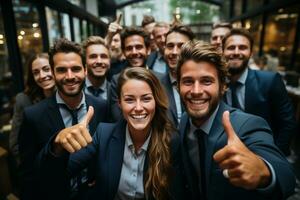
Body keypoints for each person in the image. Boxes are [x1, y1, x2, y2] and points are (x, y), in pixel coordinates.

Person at [35, 67, 185, 200]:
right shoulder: (104, 134)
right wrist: (57, 144)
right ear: (119, 103)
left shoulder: (171, 141)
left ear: (156, 102)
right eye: (129, 100)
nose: (138, 107)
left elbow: (175, 194)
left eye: (146, 99)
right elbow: (55, 174)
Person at [177, 41, 295, 200]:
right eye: (188, 81)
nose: (196, 91)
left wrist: (263, 171)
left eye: (207, 81)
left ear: (222, 86)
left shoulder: (247, 125)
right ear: (178, 86)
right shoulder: (184, 121)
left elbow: (286, 176)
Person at [18, 38, 109, 200]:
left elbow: (107, 152)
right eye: (61, 70)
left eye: (75, 69)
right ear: (52, 73)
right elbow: (28, 174)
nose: (69, 76)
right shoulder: (33, 115)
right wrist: (56, 145)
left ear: (85, 70)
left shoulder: (102, 107)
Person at [222, 28, 297, 156]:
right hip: (226, 154)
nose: (236, 52)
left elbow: (287, 123)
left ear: (251, 52)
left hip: (263, 154)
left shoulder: (270, 81)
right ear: (222, 52)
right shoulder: (217, 83)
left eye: (242, 47)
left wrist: (274, 158)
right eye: (231, 47)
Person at [9, 53, 56, 165]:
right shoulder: (24, 100)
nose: (42, 75)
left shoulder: (67, 95)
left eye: (46, 69)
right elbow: (15, 145)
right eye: (36, 72)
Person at [160, 24, 194, 126]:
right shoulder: (157, 86)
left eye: (181, 46)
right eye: (170, 46)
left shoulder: (204, 84)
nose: (175, 52)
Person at [82, 36, 111, 101]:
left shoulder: (116, 91)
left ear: (110, 61)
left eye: (103, 56)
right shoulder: (75, 89)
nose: (99, 61)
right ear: (84, 61)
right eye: (93, 57)